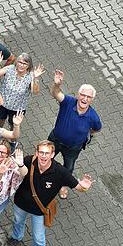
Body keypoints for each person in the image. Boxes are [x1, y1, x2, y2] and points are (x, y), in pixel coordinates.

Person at [8, 140, 94, 246]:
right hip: (21, 203)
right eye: (41, 152)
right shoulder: (28, 161)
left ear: (52, 155)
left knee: (38, 236)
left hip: (39, 210)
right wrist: (19, 164)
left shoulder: (60, 172)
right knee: (18, 221)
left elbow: (78, 187)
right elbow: (22, 173)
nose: (43, 156)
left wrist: (84, 187)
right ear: (36, 153)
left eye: (47, 153)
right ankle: (16, 237)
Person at [48, 69, 102, 199]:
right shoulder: (68, 102)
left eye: (88, 97)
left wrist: (88, 134)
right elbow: (56, 93)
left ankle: (64, 185)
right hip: (55, 139)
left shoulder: (93, 117)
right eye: (83, 95)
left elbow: (96, 129)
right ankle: (37, 174)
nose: (85, 98)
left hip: (73, 148)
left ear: (92, 100)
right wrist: (57, 84)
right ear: (78, 95)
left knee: (69, 167)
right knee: (45, 156)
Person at [0, 52, 44, 128]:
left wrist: (35, 78)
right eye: (20, 62)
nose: (21, 65)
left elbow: (35, 91)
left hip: (18, 108)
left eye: (25, 63)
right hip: (1, 103)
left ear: (29, 65)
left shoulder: (31, 76)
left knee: (14, 126)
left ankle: (12, 139)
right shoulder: (9, 69)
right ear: (16, 62)